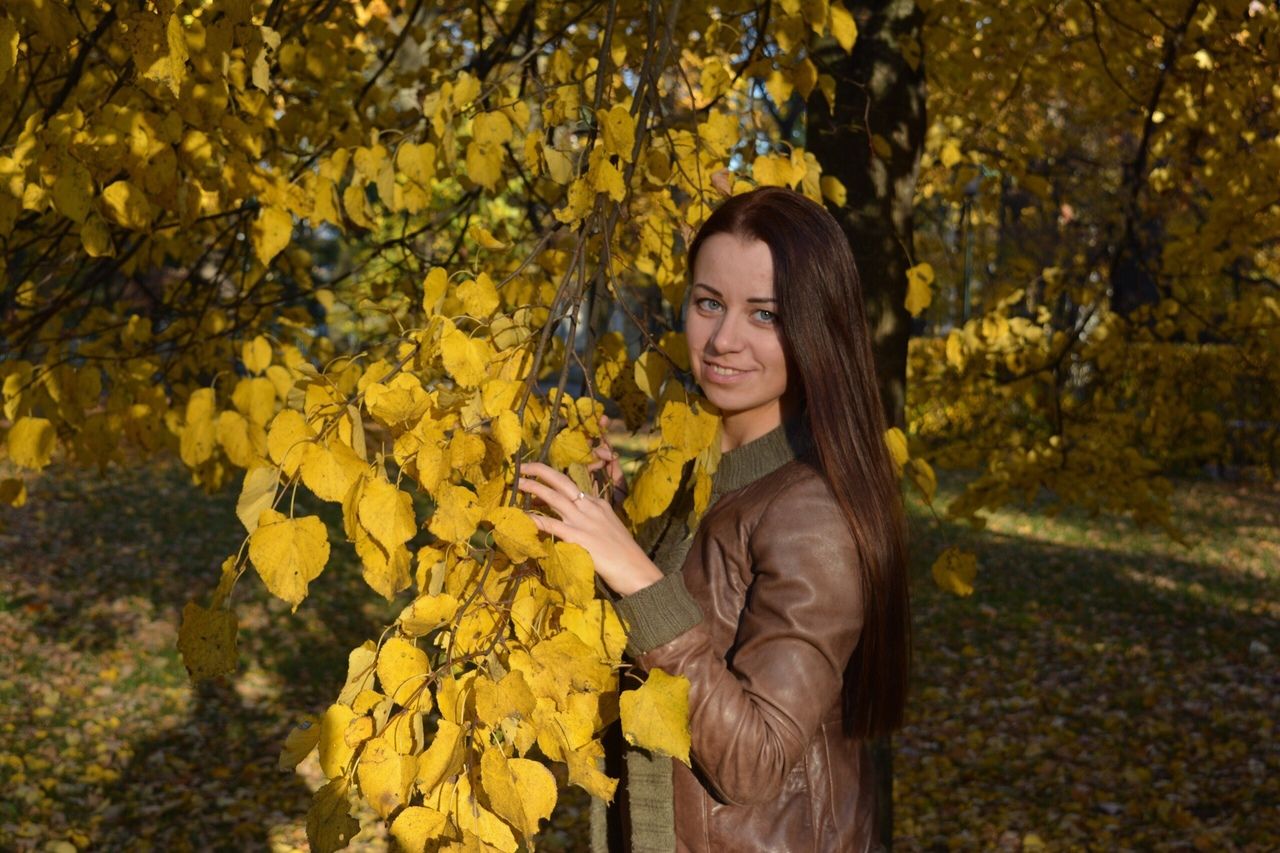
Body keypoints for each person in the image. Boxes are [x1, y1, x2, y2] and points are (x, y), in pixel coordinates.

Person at [516, 186, 910, 852]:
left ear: (816, 327)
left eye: (765, 314)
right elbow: (689, 620)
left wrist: (636, 575)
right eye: (709, 303)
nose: (725, 339)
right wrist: (612, 522)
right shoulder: (703, 469)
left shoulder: (812, 511)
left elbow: (756, 762)